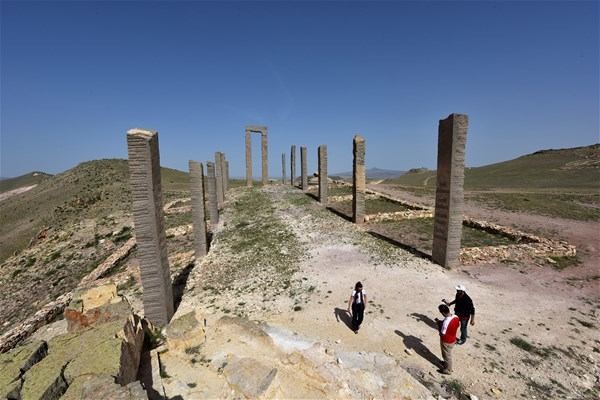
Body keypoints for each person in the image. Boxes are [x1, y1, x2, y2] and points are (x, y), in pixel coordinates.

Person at [435, 304, 460, 375]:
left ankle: (448, 370)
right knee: (447, 354)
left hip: (446, 341)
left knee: (447, 355)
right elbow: (457, 325)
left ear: (442, 313)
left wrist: (439, 325)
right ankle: (446, 364)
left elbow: (442, 333)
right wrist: (441, 323)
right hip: (453, 338)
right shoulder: (455, 317)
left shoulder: (446, 322)